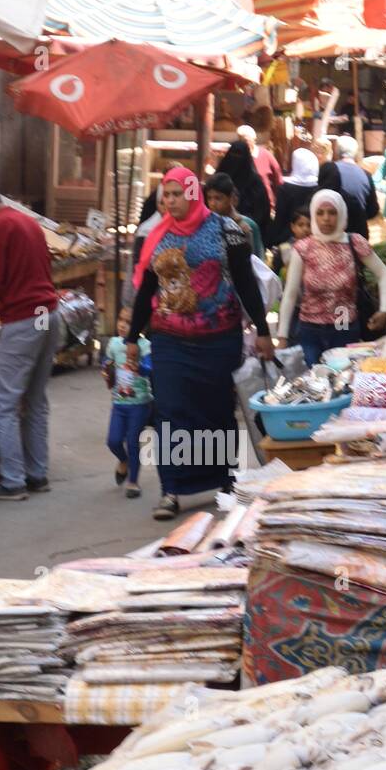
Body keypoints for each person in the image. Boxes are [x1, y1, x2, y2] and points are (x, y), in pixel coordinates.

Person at [126, 166, 274, 521]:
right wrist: (132, 337)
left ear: (193, 193)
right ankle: (171, 490)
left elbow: (245, 283)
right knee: (171, 411)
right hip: (169, 339)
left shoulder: (229, 232)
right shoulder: (156, 235)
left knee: (217, 412)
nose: (171, 201)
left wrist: (263, 330)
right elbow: (146, 288)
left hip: (218, 338)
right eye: (167, 195)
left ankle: (224, 481)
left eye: (178, 194)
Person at [0, 184, 60, 500]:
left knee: (5, 404)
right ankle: (37, 474)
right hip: (48, 314)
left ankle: (13, 481)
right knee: (35, 400)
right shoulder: (27, 221)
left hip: (23, 320)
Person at [277, 189, 386, 366]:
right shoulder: (303, 248)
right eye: (320, 213)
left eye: (332, 212)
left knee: (341, 380)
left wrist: (384, 309)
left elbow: (383, 273)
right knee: (314, 382)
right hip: (310, 328)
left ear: (341, 214)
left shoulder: (354, 242)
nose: (326, 218)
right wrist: (282, 336)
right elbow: (290, 294)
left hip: (343, 323)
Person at [103, 305, 152, 500]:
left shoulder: (145, 345)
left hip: (139, 403)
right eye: (121, 320)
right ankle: (124, 461)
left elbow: (150, 368)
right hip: (119, 402)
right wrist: (107, 369)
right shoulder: (114, 344)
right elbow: (107, 362)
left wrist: (140, 367)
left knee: (132, 441)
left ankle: (133, 481)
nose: (122, 325)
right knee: (113, 441)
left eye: (128, 323)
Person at [318, 136, 380, 240]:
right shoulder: (366, 175)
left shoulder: (329, 168)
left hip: (334, 235)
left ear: (336, 151)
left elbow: (319, 200)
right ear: (355, 153)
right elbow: (373, 210)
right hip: (359, 237)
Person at [216, 139, 271, 242]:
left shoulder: (255, 183)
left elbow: (261, 211)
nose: (236, 159)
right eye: (234, 154)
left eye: (239, 155)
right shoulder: (219, 178)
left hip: (247, 231)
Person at [205, 172, 265, 259]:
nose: (212, 203)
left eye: (218, 198)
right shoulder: (206, 223)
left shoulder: (243, 227)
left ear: (231, 198)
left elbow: (253, 260)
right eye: (209, 198)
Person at [270, 147, 319, 246]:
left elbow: (280, 215)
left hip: (286, 236)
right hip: (312, 235)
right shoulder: (317, 187)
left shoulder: (285, 188)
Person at [236, 124, 283, 212]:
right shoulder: (237, 156)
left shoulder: (265, 155)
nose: (242, 143)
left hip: (265, 206)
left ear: (254, 139)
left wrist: (277, 202)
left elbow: (278, 179)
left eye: (245, 140)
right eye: (240, 140)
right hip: (242, 207)